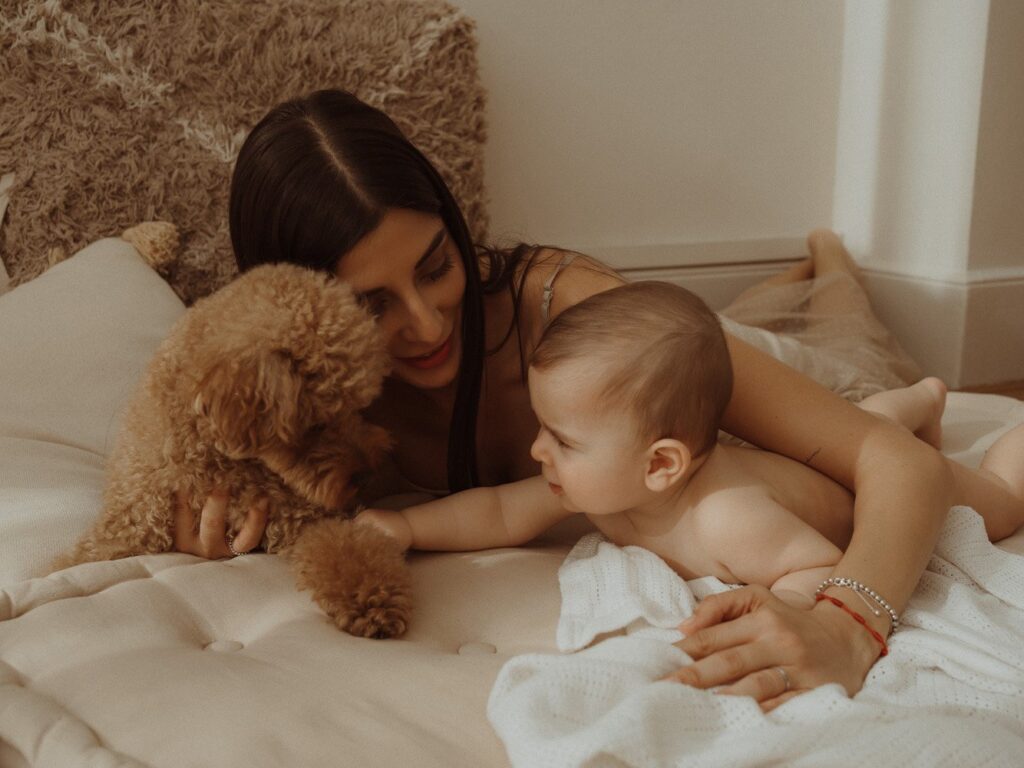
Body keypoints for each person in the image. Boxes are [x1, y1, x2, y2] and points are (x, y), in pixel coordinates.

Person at [169, 88, 1014, 711]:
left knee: (853, 373)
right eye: (370, 304)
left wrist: (846, 624)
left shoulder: (582, 320)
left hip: (708, 385)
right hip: (707, 402)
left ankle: (832, 274)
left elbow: (887, 463)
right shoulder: (290, 389)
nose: (427, 323)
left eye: (435, 265)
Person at [354, 281, 1024, 675]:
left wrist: (790, 606)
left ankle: (958, 419)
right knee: (866, 420)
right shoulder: (600, 486)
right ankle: (920, 401)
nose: (536, 451)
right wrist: (407, 525)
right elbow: (500, 512)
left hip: (864, 501)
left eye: (560, 439)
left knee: (997, 504)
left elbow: (816, 563)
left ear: (660, 466)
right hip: (802, 473)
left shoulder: (729, 518)